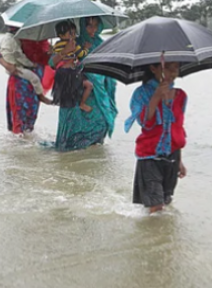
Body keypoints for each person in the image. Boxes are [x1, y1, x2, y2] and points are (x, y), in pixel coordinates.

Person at [124, 61, 188, 213]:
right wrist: (156, 96)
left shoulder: (181, 95)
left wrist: (180, 161)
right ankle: (152, 234)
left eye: (176, 68)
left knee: (166, 201)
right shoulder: (141, 93)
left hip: (172, 155)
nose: (172, 72)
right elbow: (144, 122)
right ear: (153, 68)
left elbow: (178, 128)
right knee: (156, 205)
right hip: (149, 156)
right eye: (167, 67)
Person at [50, 16, 118, 151]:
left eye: (96, 25)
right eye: (89, 26)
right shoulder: (74, 42)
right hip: (75, 89)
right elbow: (52, 63)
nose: (93, 29)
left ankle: (92, 161)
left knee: (101, 124)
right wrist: (65, 52)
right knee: (74, 126)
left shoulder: (101, 44)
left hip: (98, 93)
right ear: (83, 26)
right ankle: (70, 159)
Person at [0, 38, 53, 135]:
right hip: (19, 80)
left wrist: (52, 52)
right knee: (19, 114)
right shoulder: (17, 38)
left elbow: (52, 62)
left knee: (31, 116)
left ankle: (25, 143)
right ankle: (17, 145)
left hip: (36, 84)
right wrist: (7, 65)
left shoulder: (43, 41)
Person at [0, 25, 53, 105]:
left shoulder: (42, 40)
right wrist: (31, 65)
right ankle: (41, 96)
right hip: (18, 71)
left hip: (32, 73)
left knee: (32, 108)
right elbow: (2, 54)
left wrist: (51, 51)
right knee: (21, 107)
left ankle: (40, 96)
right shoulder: (14, 40)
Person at [50, 20, 93, 112]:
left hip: (61, 73)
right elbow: (81, 54)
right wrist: (86, 48)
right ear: (61, 35)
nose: (73, 36)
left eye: (74, 33)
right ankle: (82, 103)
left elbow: (52, 58)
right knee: (88, 86)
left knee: (67, 97)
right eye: (70, 33)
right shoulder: (73, 44)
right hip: (72, 73)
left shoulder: (56, 45)